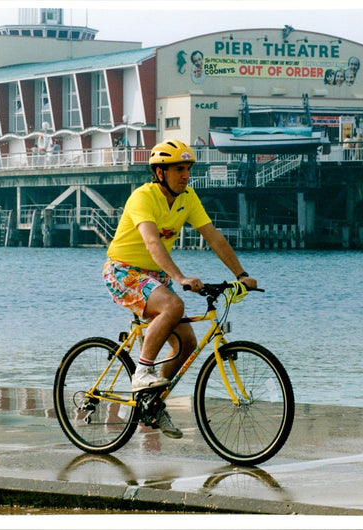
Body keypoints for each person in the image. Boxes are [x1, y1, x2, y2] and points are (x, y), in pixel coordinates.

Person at [103, 139, 257, 438]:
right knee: (174, 306)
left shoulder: (188, 197)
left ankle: (151, 402)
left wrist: (242, 274)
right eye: (178, 169)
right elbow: (151, 242)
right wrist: (180, 277)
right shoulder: (142, 197)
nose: (185, 175)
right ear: (159, 172)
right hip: (123, 271)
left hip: (154, 277)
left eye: (187, 169)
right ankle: (142, 374)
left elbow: (214, 238)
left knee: (187, 345)